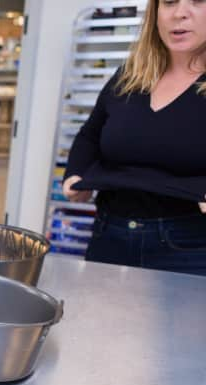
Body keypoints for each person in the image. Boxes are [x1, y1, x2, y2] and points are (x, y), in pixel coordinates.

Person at [63, 0, 206, 275]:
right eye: (169, 2)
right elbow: (89, 135)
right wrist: (75, 173)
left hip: (189, 245)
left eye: (197, 1)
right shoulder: (129, 76)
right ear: (155, 13)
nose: (179, 13)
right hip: (109, 233)